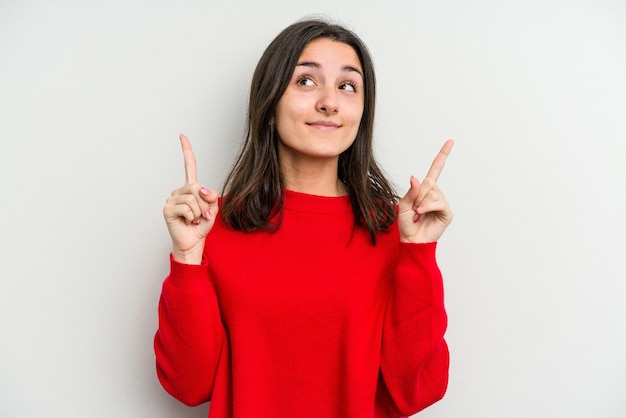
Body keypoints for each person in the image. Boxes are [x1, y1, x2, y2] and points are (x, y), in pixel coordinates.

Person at [154, 18, 453, 418]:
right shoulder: (212, 225)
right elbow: (190, 387)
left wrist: (418, 253)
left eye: (348, 86)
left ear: (362, 111)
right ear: (270, 99)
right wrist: (187, 259)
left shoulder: (395, 228)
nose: (329, 101)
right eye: (306, 81)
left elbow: (414, 393)